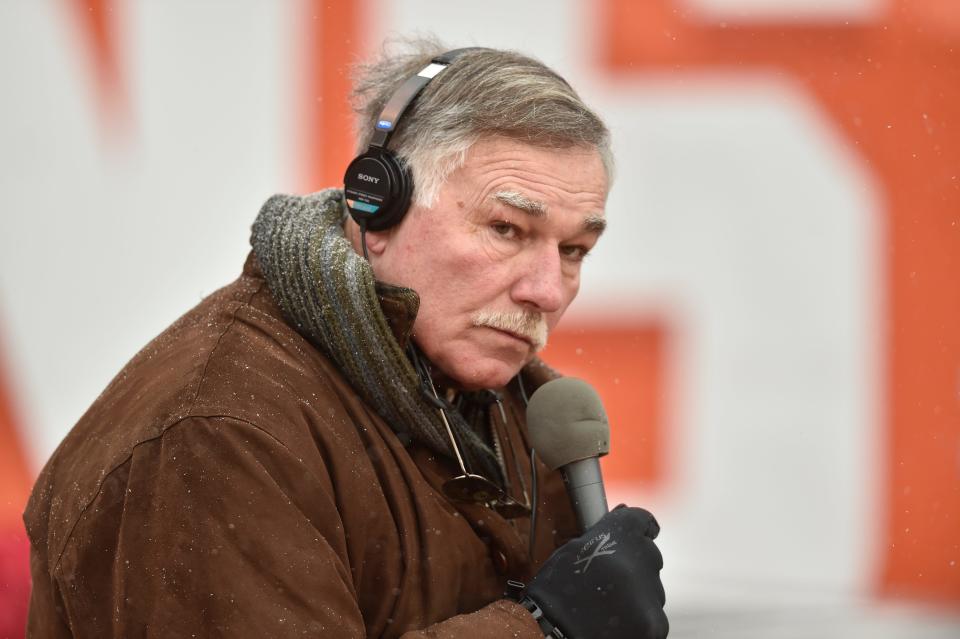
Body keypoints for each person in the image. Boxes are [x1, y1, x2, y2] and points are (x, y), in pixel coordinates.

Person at [24, 41, 667, 638]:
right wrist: (539, 627)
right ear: (375, 210)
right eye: (506, 229)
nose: (548, 291)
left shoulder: (518, 412)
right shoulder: (218, 432)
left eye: (575, 250)